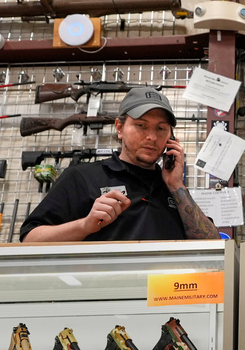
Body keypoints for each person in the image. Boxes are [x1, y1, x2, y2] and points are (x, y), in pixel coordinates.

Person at [20, 87, 220, 242]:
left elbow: (212, 243)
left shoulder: (175, 190)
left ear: (171, 138)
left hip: (165, 293)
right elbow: (30, 239)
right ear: (120, 127)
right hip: (106, 293)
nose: (152, 137)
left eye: (161, 128)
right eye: (141, 126)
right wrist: (85, 225)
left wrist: (177, 186)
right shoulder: (83, 177)